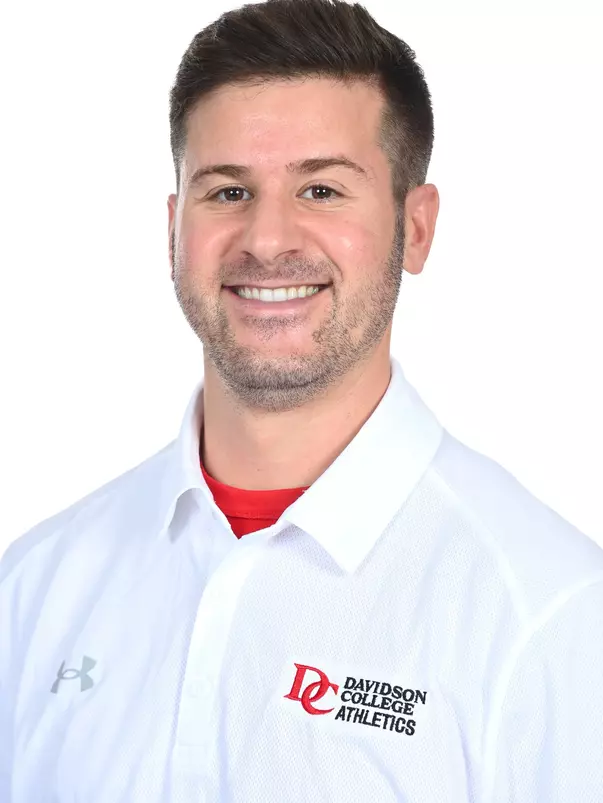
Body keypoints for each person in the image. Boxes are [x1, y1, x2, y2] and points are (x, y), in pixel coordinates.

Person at [1, 0, 602, 800]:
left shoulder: (551, 616)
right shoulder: (38, 584)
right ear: (173, 228)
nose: (266, 239)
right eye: (226, 192)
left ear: (414, 228)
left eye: (320, 189)